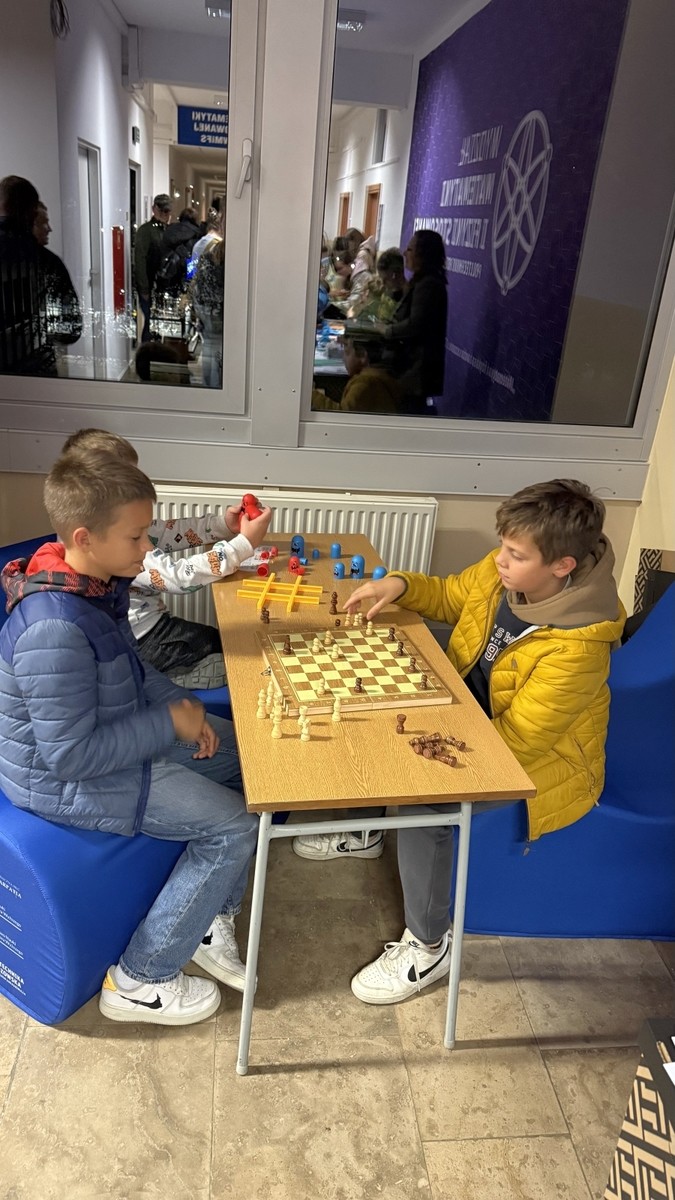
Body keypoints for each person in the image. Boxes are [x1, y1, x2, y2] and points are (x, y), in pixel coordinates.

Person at [293, 480, 626, 1005]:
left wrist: (433, 741)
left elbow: (517, 746)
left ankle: (429, 946)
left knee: (425, 798)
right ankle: (366, 832)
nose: (500, 560)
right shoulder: (504, 574)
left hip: (535, 760)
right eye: (503, 546)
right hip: (472, 712)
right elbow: (451, 596)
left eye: (516, 555)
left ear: (562, 565)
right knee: (374, 704)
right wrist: (399, 585)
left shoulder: (578, 648)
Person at [0, 450, 259, 1026]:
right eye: (137, 537)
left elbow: (133, 673)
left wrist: (181, 706)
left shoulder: (94, 587)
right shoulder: (54, 628)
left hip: (115, 737)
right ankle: (141, 980)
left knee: (249, 760)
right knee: (235, 826)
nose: (148, 549)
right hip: (66, 780)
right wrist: (169, 725)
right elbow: (70, 758)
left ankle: (209, 916)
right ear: (86, 538)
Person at [59, 428, 272, 688]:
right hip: (140, 639)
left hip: (149, 627)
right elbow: (178, 578)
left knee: (217, 641)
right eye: (130, 484)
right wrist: (243, 544)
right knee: (228, 651)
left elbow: (170, 532)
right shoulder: (111, 545)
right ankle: (157, 677)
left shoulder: (111, 526)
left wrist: (222, 526)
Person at [380, 228, 448, 414]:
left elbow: (415, 324)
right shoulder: (423, 282)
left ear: (423, 254)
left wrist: (387, 330)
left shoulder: (428, 285)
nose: (405, 254)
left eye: (410, 249)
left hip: (416, 371)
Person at [0, 176, 56, 375]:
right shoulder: (45, 261)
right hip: (35, 372)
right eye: (43, 223)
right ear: (31, 217)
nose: (49, 229)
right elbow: (70, 329)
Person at [31, 201, 82, 353]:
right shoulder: (49, 263)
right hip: (41, 354)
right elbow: (70, 323)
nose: (49, 229)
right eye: (43, 223)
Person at [311, 334, 404, 414]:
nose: (343, 358)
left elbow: (343, 415)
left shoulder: (365, 382)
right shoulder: (377, 375)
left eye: (347, 353)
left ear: (363, 356)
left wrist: (311, 394)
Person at [134, 193, 173, 342]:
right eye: (162, 210)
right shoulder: (146, 231)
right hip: (150, 284)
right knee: (149, 325)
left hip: (163, 285)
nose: (165, 214)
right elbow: (140, 260)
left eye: (167, 211)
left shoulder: (167, 230)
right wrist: (144, 288)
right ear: (154, 209)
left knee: (160, 325)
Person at [193, 233, 225, 388]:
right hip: (222, 320)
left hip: (206, 317)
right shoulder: (228, 268)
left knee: (208, 350)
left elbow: (196, 289)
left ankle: (209, 388)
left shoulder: (204, 261)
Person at [155, 206, 201, 296]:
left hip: (167, 275)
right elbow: (193, 259)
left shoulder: (169, 230)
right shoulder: (196, 234)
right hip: (185, 276)